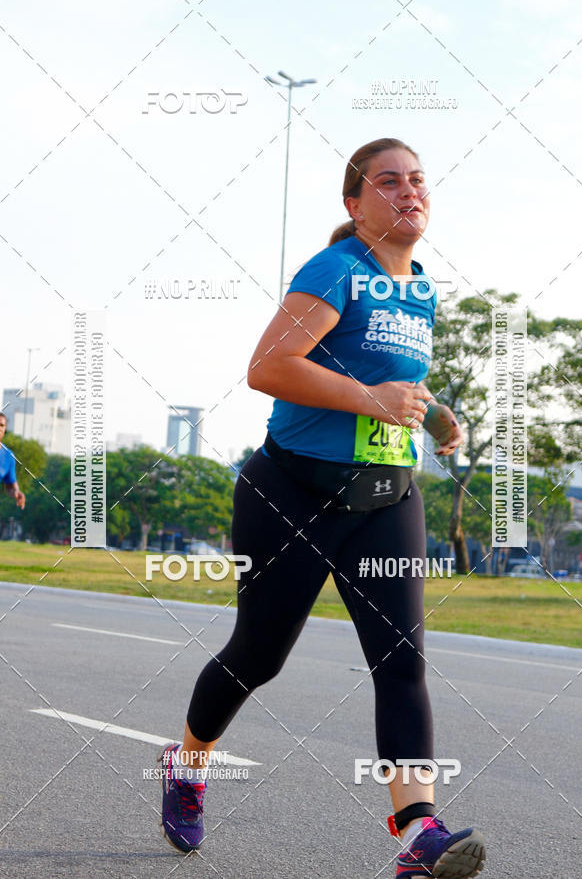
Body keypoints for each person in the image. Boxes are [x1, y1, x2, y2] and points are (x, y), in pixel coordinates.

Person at [158, 138, 487, 877]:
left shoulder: (420, 288)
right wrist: (374, 399)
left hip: (386, 498)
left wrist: (433, 416)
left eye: (420, 182)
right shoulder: (335, 270)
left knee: (402, 662)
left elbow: (393, 377)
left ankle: (418, 833)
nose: (411, 193)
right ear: (354, 203)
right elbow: (269, 368)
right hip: (293, 496)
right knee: (257, 657)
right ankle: (186, 761)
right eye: (390, 182)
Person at [0, 413, 26, 510]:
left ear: (5, 429)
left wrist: (16, 493)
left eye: (1, 425)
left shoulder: (8, 456)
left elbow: (10, 486)